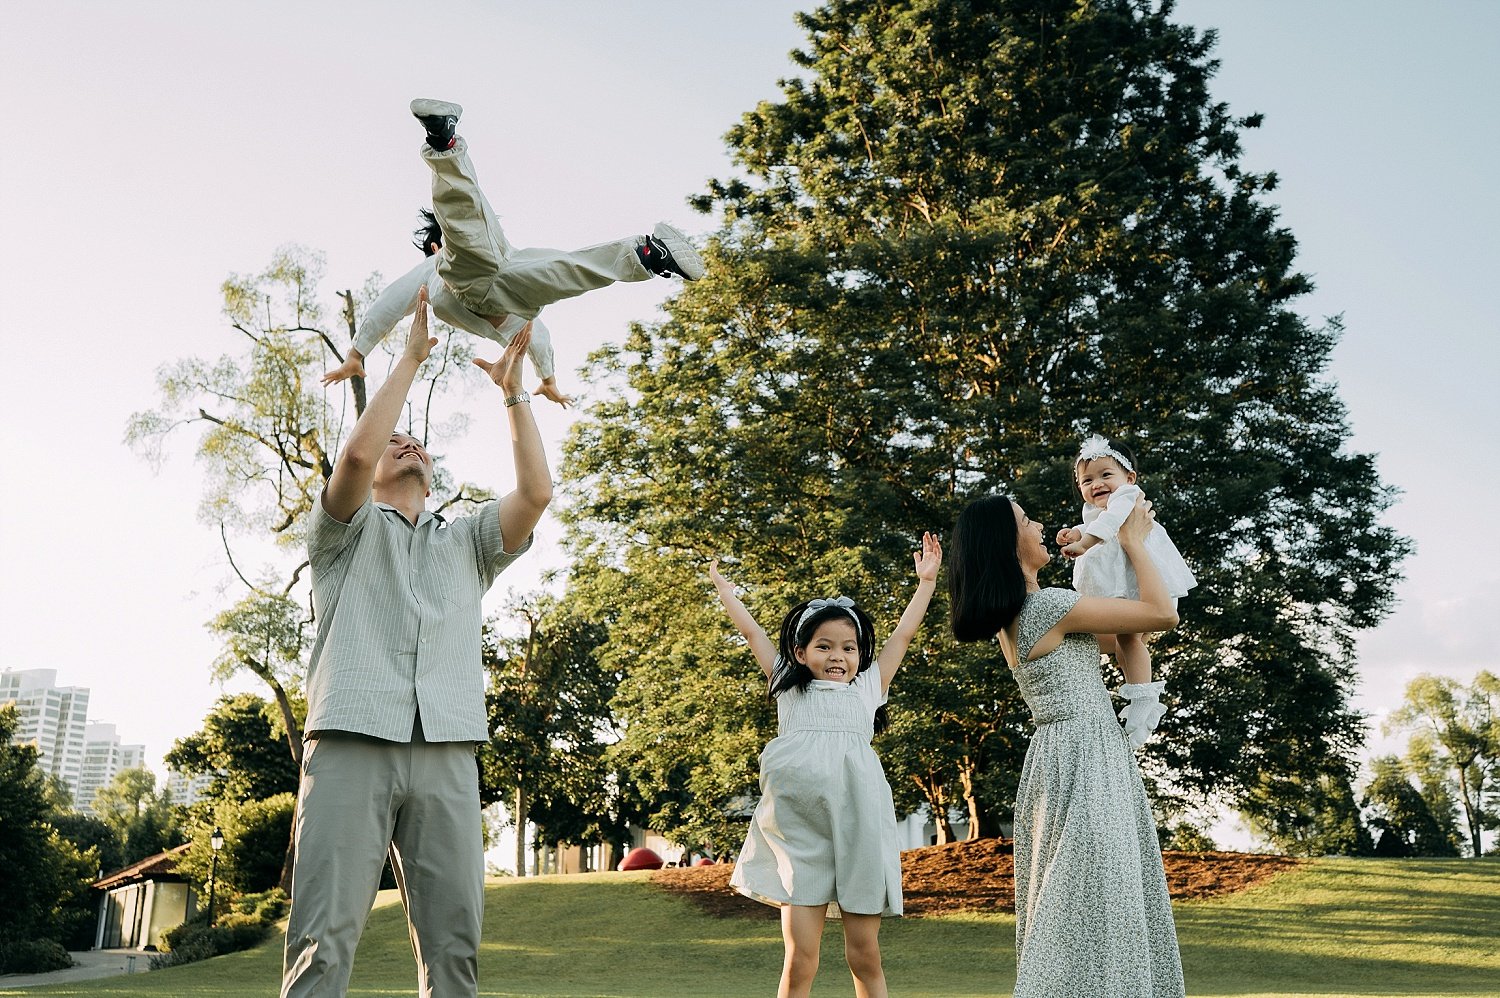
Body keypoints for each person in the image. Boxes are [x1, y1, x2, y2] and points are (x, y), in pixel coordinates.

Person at [282, 287, 552, 998]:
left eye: (417, 443)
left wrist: (514, 395)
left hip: (448, 752)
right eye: (394, 442)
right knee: (322, 942)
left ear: (433, 478)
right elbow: (353, 457)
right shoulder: (342, 533)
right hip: (349, 742)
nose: (406, 444)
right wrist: (406, 358)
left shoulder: (466, 541)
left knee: (455, 951)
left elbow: (537, 495)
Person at [949, 493, 1185, 998]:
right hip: (1086, 754)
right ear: (1007, 546)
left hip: (1061, 758)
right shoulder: (1048, 606)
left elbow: (1124, 632)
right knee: (1098, 895)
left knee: (1080, 898)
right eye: (1025, 521)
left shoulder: (1021, 617)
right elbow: (1162, 615)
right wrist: (1132, 541)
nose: (1038, 527)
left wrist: (1106, 558)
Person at [323, 98, 705, 406]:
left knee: (512, 245)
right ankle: (649, 256)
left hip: (489, 273)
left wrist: (358, 352)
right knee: (568, 272)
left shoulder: (433, 265)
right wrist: (548, 380)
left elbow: (391, 301)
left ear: (435, 247)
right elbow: (539, 341)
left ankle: (444, 143)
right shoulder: (514, 323)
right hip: (511, 285)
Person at [708, 533, 942, 998]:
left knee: (864, 954)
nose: (838, 656)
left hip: (859, 826)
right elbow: (754, 634)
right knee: (800, 959)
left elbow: (903, 635)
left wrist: (926, 584)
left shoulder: (867, 690)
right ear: (800, 652)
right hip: (801, 836)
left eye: (849, 648)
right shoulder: (789, 688)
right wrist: (727, 595)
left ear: (860, 656)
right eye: (825, 646)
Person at [1054, 434, 1195, 746]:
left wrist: (1084, 543)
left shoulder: (1127, 497)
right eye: (1086, 480)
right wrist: (1073, 532)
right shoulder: (1097, 507)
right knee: (1125, 644)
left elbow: (1108, 525)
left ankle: (1144, 694)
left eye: (1106, 475)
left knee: (1128, 639)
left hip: (1138, 583)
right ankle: (1141, 699)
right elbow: (1092, 521)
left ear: (1129, 477)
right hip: (1120, 586)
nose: (1096, 484)